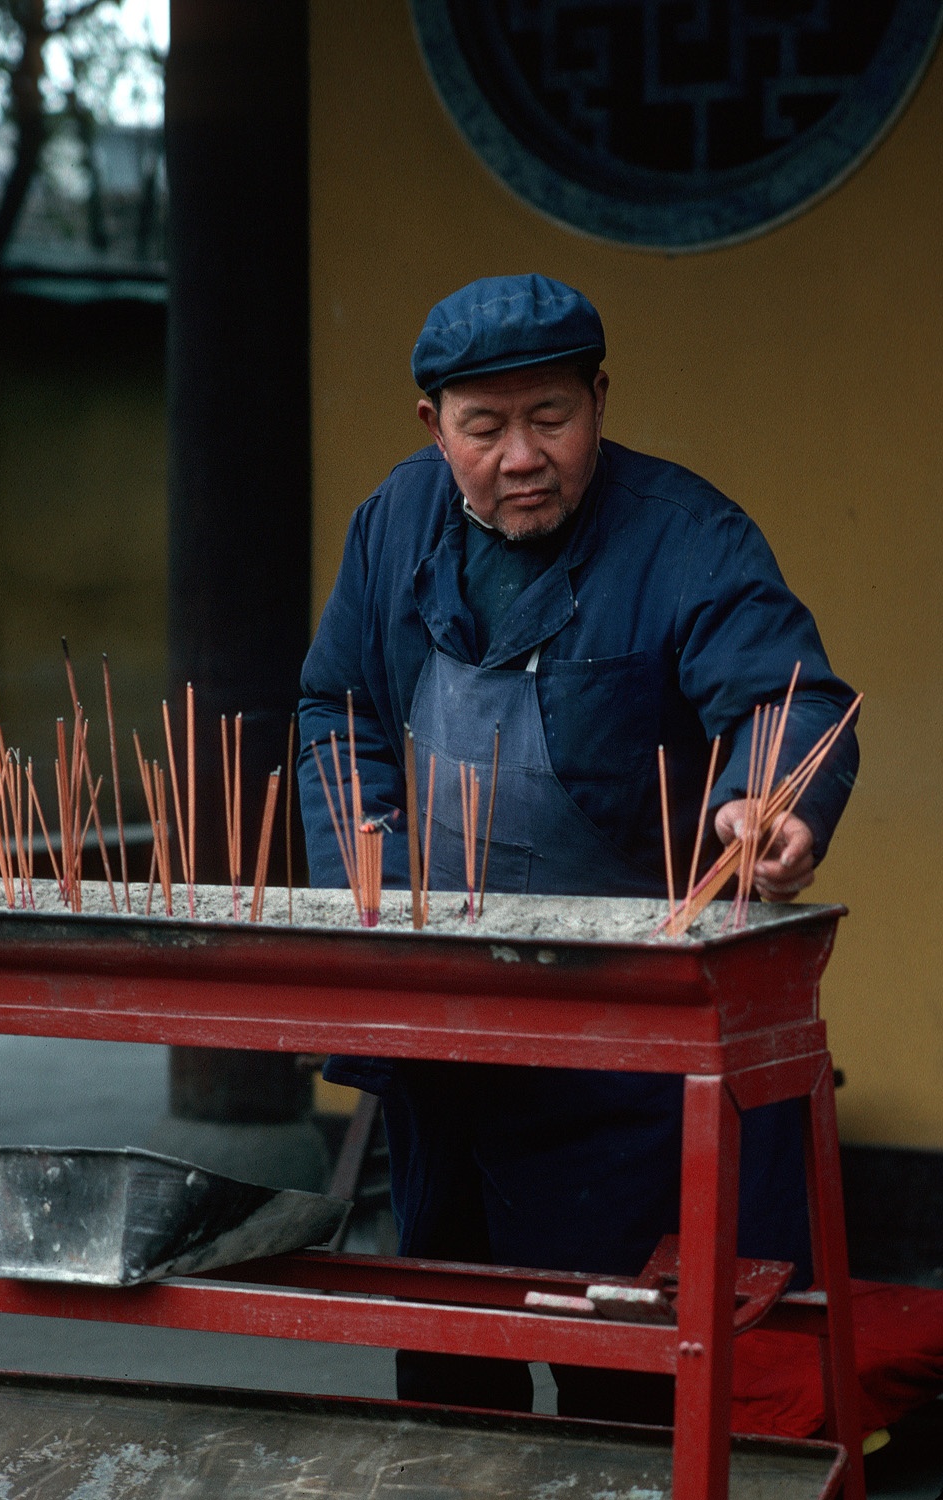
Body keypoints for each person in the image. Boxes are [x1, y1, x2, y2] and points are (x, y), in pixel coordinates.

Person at [297, 273, 859, 1420]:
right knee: (453, 1349)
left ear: (599, 399)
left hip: (624, 1036)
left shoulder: (684, 537)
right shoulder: (393, 523)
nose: (520, 455)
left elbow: (785, 697)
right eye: (484, 426)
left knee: (627, 1370)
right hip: (447, 1012)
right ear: (432, 425)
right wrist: (368, 866)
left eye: (549, 417)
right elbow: (335, 708)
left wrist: (771, 801)